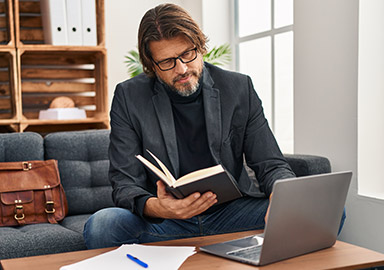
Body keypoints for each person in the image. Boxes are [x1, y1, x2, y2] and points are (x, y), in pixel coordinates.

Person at [83, 3, 296, 249]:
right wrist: (160, 207)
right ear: (151, 64)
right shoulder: (128, 97)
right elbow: (124, 183)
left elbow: (271, 164)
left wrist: (284, 200)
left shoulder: (238, 89)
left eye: (187, 54)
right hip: (167, 221)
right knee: (103, 225)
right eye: (167, 62)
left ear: (200, 46)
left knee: (317, 211)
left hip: (231, 215)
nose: (182, 68)